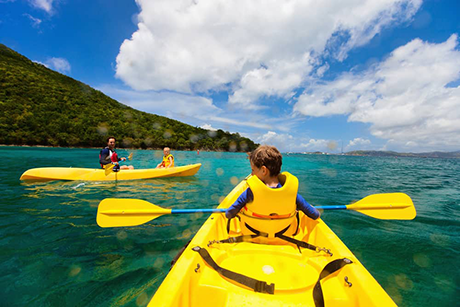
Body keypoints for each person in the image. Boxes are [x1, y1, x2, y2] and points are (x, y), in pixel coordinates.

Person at [226, 145, 320, 238]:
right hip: (282, 235)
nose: (251, 174)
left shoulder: (250, 193)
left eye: (253, 170)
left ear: (263, 170)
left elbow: (229, 214)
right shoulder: (291, 194)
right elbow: (315, 215)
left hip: (253, 234)